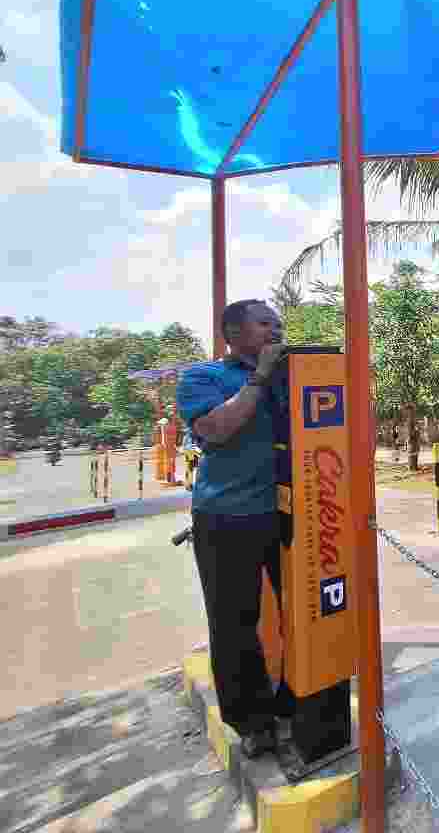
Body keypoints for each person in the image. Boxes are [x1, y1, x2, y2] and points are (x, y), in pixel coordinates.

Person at [176, 299, 293, 757]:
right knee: (234, 624)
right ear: (234, 334)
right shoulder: (203, 378)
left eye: (279, 323)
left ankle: (296, 700)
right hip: (226, 517)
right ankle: (252, 720)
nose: (276, 330)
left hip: (286, 513)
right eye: (266, 323)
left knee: (303, 612)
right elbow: (218, 429)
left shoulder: (290, 377)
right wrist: (261, 377)